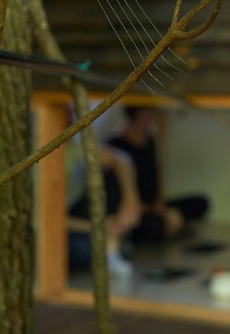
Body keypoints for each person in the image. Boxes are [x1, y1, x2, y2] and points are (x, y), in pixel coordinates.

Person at [107, 106, 209, 243]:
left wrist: (159, 205)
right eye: (148, 112)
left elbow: (155, 177)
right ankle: (170, 225)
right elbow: (116, 196)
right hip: (133, 209)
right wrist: (146, 209)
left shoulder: (150, 140)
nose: (153, 116)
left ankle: (170, 224)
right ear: (136, 114)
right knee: (153, 224)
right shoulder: (115, 147)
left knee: (200, 202)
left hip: (153, 206)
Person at [68, 147, 141, 275]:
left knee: (109, 175)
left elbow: (121, 159)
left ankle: (114, 241)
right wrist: (96, 226)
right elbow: (47, 220)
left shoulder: (71, 149)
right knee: (87, 249)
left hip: (79, 215)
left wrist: (130, 201)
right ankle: (112, 246)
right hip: (64, 228)